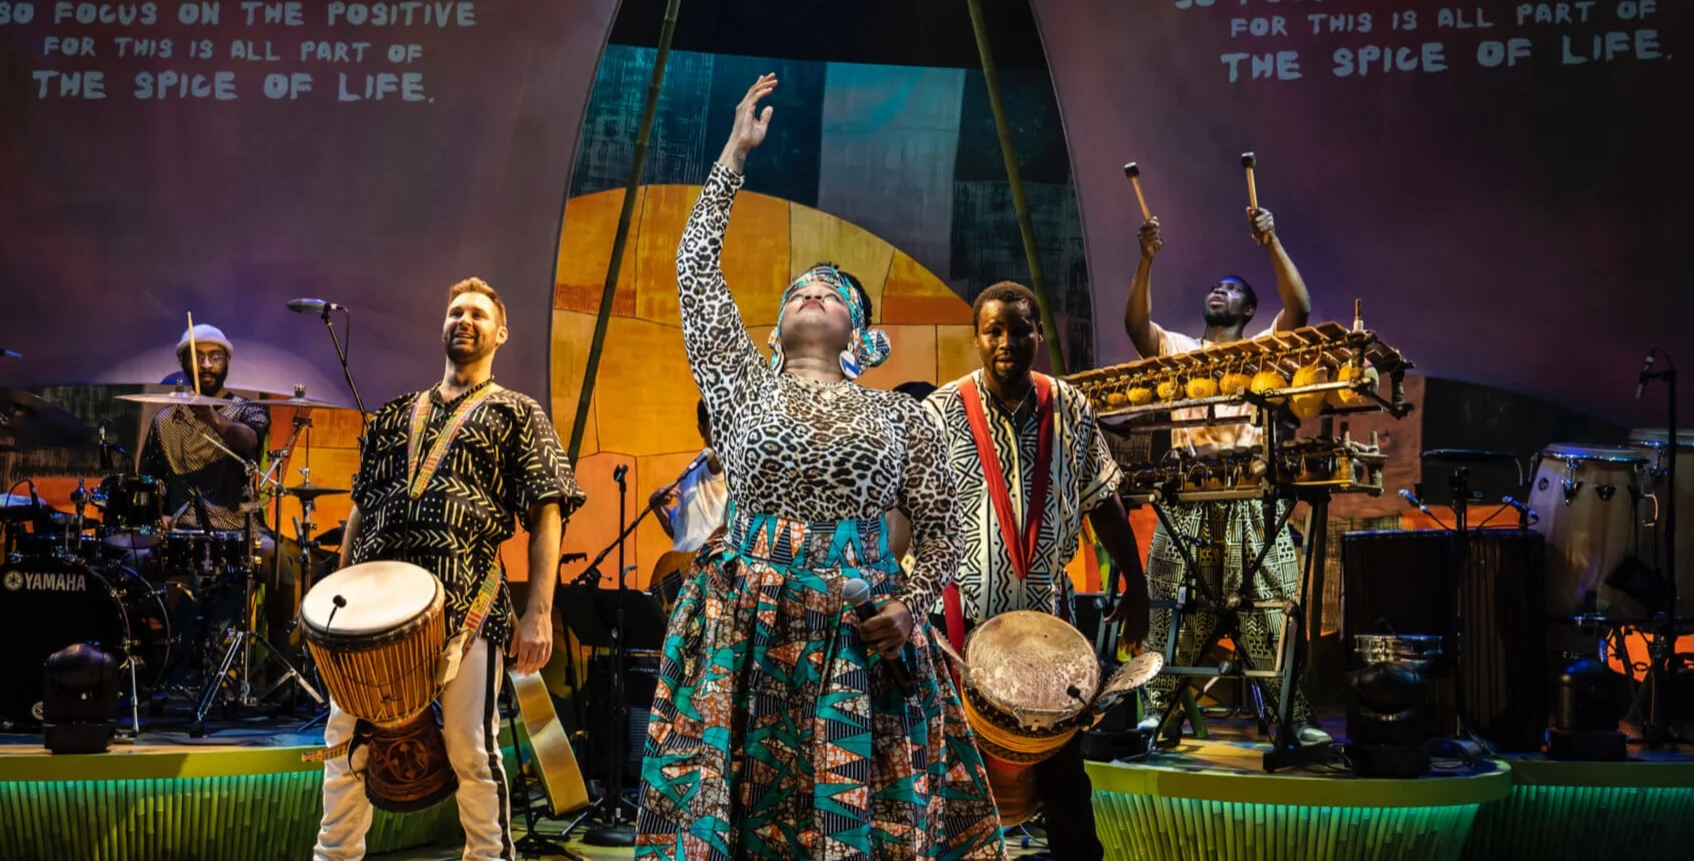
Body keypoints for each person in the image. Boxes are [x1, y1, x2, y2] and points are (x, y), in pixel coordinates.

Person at [635, 75, 1006, 861]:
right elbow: (696, 270)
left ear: (859, 334)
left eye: (831, 291)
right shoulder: (740, 385)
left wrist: (909, 608)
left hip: (859, 637)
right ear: (775, 326)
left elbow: (945, 526)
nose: (812, 292)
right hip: (745, 629)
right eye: (799, 288)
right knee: (735, 812)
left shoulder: (903, 415)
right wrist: (734, 154)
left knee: (847, 822)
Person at [313, 278, 586, 861]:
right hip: (367, 613)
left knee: (470, 749)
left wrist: (538, 612)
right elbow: (360, 509)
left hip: (467, 603)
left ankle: (489, 856)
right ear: (443, 325)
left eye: (479, 314)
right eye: (456, 311)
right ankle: (334, 855)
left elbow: (547, 513)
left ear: (500, 332)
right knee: (346, 745)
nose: (465, 320)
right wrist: (335, 602)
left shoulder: (518, 413)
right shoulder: (391, 416)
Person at [924, 281, 1148, 861]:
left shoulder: (1069, 406)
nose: (1007, 343)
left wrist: (1137, 583)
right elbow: (910, 510)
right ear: (976, 338)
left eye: (1019, 330)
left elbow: (1104, 501)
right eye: (994, 331)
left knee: (1065, 780)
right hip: (959, 627)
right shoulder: (940, 411)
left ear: (1038, 335)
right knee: (946, 775)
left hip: (1046, 636)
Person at [1123, 207, 1329, 744]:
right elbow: (1136, 327)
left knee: (1274, 606)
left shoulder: (1263, 351)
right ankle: (1159, 713)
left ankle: (1294, 717)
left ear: (1250, 308)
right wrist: (1146, 261)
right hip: (1188, 498)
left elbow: (1300, 306)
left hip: (1251, 502)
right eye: (1214, 287)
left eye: (1231, 289)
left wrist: (1271, 241)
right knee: (1170, 605)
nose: (1218, 291)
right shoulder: (1180, 353)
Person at [137, 324, 269, 530]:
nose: (206, 365)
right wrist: (158, 516)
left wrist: (213, 418)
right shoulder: (165, 420)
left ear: (227, 361)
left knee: (276, 555)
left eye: (215, 357)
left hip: (239, 530)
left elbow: (250, 440)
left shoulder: (247, 411)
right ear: (183, 362)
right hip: (183, 530)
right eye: (197, 357)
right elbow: (147, 479)